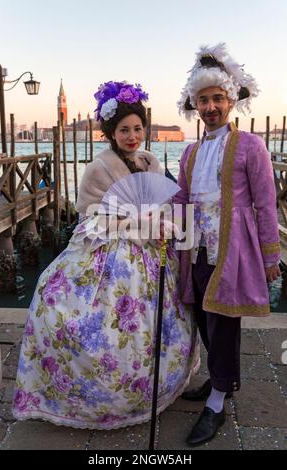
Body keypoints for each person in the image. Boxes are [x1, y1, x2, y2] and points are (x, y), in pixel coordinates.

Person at [12, 80, 199, 430]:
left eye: (138, 128)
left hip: (147, 254)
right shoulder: (98, 168)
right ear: (111, 132)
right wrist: (132, 221)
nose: (132, 135)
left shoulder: (150, 162)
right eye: (124, 129)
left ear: (145, 129)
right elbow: (91, 219)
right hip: (110, 254)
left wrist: (160, 222)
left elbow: (161, 205)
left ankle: (149, 389)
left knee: (154, 327)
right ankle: (93, 396)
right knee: (63, 307)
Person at [174, 43, 281, 446]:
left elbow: (266, 203)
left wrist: (271, 256)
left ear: (231, 99)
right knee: (203, 316)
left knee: (223, 322)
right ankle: (221, 380)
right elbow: (183, 199)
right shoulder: (190, 151)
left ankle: (218, 399)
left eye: (218, 97)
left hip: (231, 249)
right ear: (195, 105)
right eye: (204, 100)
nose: (211, 106)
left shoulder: (252, 146)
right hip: (195, 247)